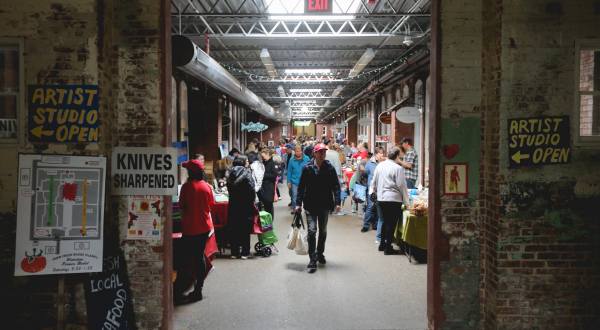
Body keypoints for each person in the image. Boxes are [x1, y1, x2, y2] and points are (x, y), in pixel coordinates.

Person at [295, 143, 341, 273]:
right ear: (314, 153)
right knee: (312, 231)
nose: (322, 154)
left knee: (323, 231)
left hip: (325, 205)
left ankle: (320, 253)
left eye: (324, 152)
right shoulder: (307, 168)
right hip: (310, 204)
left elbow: (336, 186)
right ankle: (312, 259)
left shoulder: (329, 168)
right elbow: (301, 187)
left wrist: (337, 202)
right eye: (320, 152)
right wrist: (298, 204)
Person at [175, 159, 215, 304]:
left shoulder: (186, 187)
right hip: (204, 227)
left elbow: (181, 205)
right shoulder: (207, 186)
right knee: (198, 257)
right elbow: (211, 205)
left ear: (191, 172)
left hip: (190, 228)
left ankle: (186, 289)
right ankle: (198, 288)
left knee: (187, 259)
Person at [369, 147, 410, 255]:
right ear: (397, 156)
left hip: (381, 198)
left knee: (383, 221)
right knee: (391, 224)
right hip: (393, 199)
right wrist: (407, 202)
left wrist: (372, 192)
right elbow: (402, 186)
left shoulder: (380, 166)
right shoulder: (398, 168)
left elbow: (374, 181)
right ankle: (388, 247)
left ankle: (382, 244)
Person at [227, 156, 256, 259]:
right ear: (243, 163)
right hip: (245, 205)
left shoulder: (229, 173)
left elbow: (229, 189)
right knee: (245, 229)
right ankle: (245, 252)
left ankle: (234, 252)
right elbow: (252, 189)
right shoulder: (247, 173)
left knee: (234, 228)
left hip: (233, 204)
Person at [361, 147, 385, 235]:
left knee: (378, 208)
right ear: (376, 154)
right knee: (370, 207)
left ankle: (375, 225)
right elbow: (365, 174)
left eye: (383, 153)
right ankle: (366, 225)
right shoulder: (370, 163)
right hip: (372, 189)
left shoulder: (384, 163)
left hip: (382, 189)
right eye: (380, 153)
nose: (382, 155)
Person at [287, 145, 309, 211]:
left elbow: (310, 170)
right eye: (296, 151)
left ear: (302, 151)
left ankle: (306, 209)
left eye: (299, 151)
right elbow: (289, 171)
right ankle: (295, 210)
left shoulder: (307, 159)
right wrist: (288, 181)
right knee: (294, 197)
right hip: (294, 182)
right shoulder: (291, 160)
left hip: (305, 182)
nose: (298, 153)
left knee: (306, 197)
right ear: (294, 151)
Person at [324, 140, 344, 215]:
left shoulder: (324, 153)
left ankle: (329, 208)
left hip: (326, 175)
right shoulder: (336, 154)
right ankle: (337, 206)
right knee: (336, 191)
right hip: (335, 175)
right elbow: (338, 165)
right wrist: (339, 175)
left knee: (328, 192)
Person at [258, 148, 278, 217]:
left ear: (268, 155)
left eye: (263, 156)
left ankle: (270, 222)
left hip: (269, 188)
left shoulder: (272, 163)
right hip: (263, 188)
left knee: (269, 207)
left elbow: (274, 175)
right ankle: (266, 222)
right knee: (264, 207)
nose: (262, 158)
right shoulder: (263, 163)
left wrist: (263, 175)